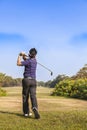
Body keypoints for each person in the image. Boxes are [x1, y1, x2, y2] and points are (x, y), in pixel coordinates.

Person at [17, 48, 40, 119]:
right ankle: (35, 107)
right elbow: (26, 60)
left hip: (26, 80)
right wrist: (24, 56)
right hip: (33, 81)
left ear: (30, 54)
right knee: (33, 96)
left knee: (25, 96)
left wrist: (19, 55)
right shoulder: (35, 61)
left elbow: (18, 63)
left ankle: (26, 113)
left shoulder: (28, 61)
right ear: (35, 55)